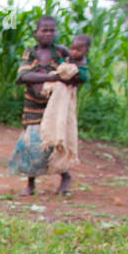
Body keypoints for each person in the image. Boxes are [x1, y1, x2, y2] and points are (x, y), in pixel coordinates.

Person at [9, 16, 81, 195]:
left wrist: (71, 64)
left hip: (55, 108)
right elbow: (24, 76)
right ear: (36, 33)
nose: (48, 34)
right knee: (32, 143)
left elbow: (76, 74)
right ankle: (30, 183)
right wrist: (53, 77)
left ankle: (65, 176)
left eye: (52, 30)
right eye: (44, 30)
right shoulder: (30, 53)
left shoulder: (61, 53)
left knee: (55, 141)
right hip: (33, 107)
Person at [40, 35, 91, 174]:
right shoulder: (67, 60)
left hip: (67, 99)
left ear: (86, 50)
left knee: (65, 124)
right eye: (73, 49)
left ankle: (62, 156)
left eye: (79, 50)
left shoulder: (83, 66)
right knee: (53, 120)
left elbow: (81, 77)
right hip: (57, 97)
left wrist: (70, 75)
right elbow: (60, 69)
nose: (74, 52)